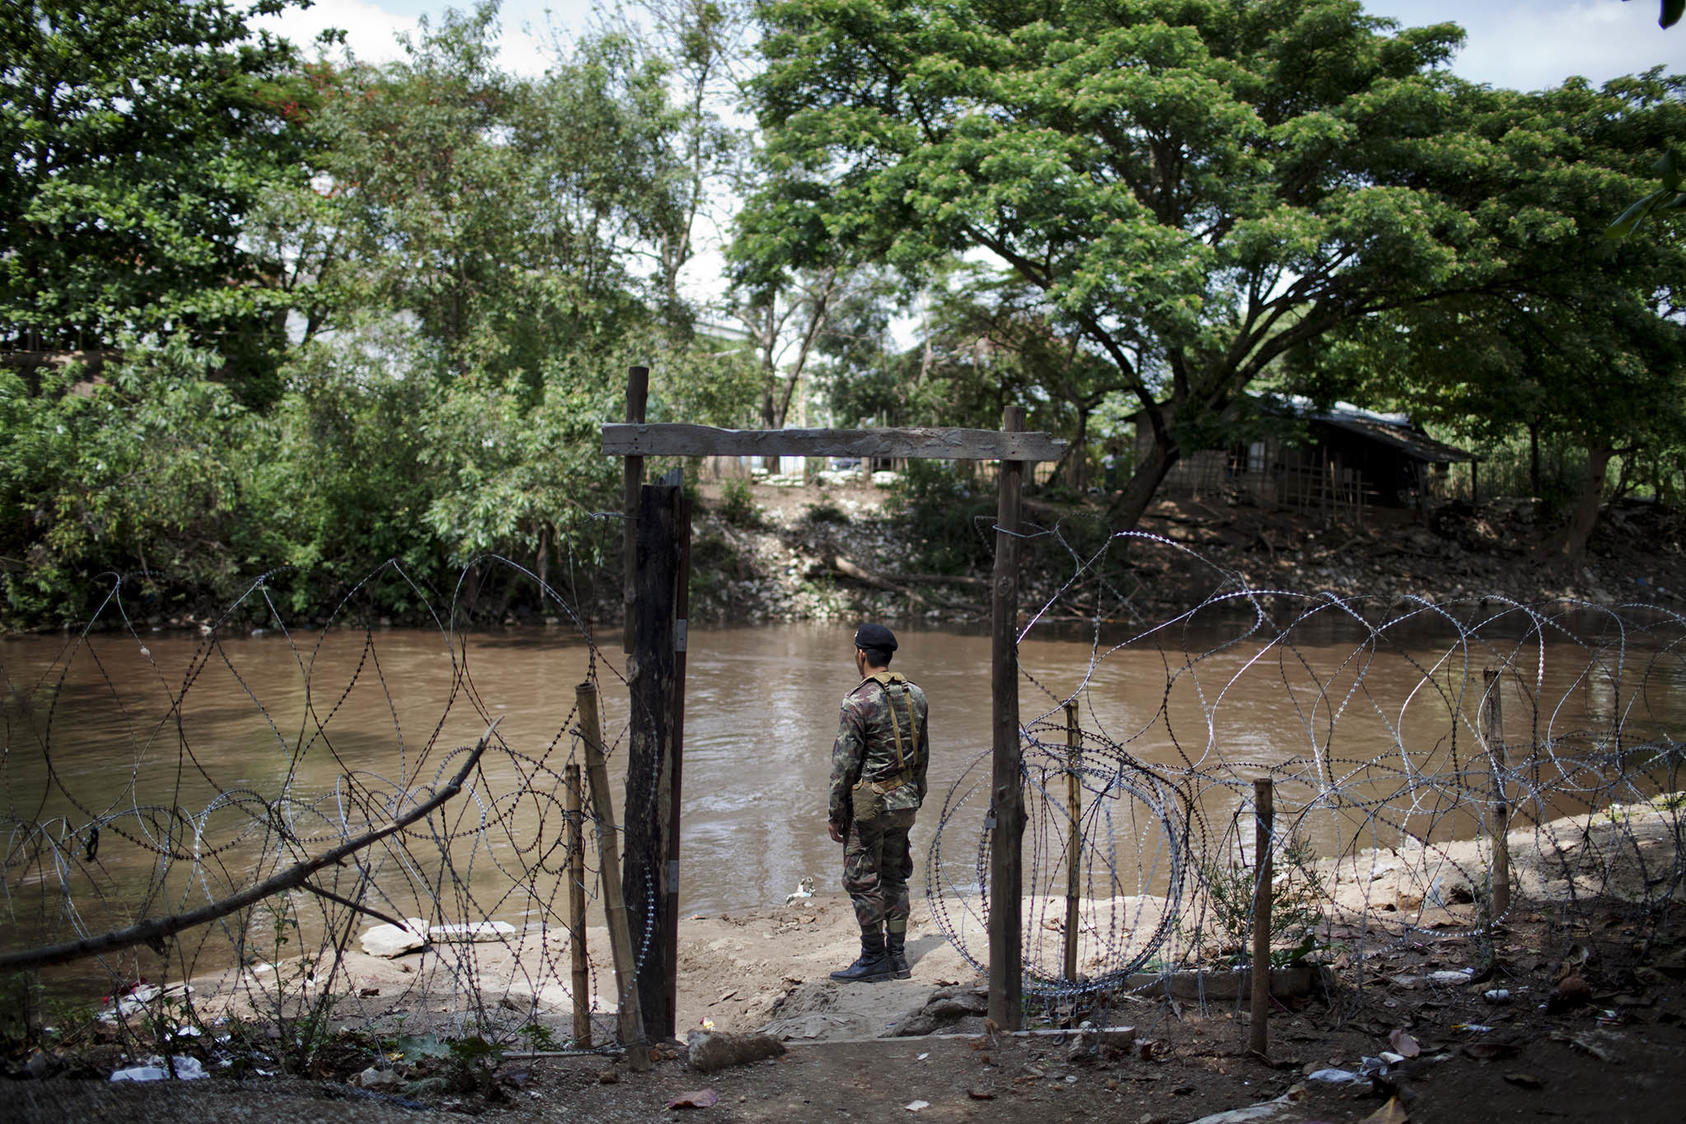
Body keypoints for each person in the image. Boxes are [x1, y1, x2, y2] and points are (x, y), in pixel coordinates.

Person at [827, 622, 930, 983]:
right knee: (895, 875)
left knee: (862, 880)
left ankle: (874, 958)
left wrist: (836, 814)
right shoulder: (915, 695)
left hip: (870, 806)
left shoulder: (857, 702)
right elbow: (923, 757)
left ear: (861, 654)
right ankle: (898, 958)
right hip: (906, 801)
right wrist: (914, 797)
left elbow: (844, 765)